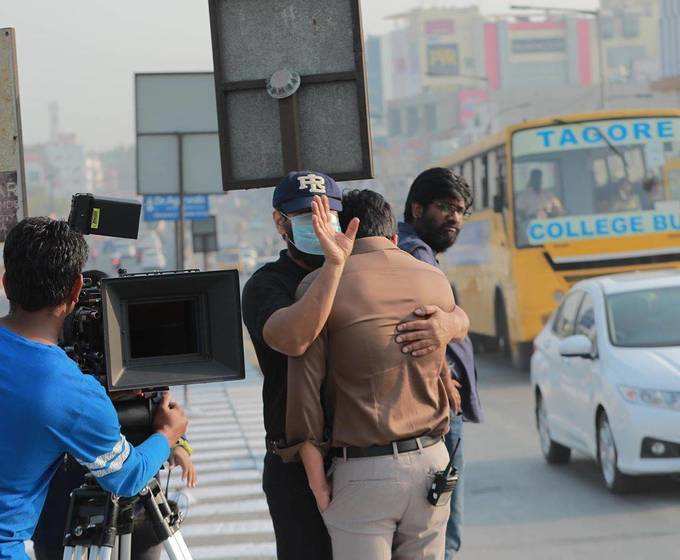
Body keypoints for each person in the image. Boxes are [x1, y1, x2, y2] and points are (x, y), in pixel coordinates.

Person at [241, 171, 468, 560]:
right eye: (303, 216)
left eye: (326, 214)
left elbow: (443, 304)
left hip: (368, 459)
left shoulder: (370, 271)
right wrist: (332, 268)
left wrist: (449, 324)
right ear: (281, 223)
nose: (317, 224)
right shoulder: (270, 284)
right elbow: (296, 338)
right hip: (298, 463)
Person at [0, 218, 188, 560]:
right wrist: (167, 435)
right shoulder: (71, 393)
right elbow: (127, 478)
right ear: (76, 290)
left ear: (5, 283)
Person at [31, 270, 197, 560]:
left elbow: (161, 414)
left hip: (140, 516)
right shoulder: (57, 382)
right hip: (65, 517)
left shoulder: (141, 379)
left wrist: (178, 445)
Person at [397, 168, 483, 559]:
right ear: (417, 208)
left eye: (461, 210)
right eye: (445, 207)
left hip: (432, 408)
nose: (455, 218)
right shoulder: (415, 253)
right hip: (441, 409)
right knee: (444, 532)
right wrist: (445, 380)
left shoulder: (413, 249)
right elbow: (426, 324)